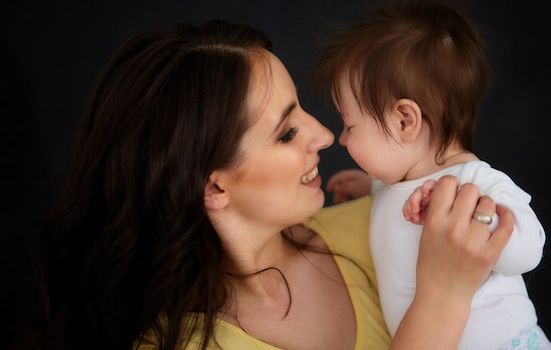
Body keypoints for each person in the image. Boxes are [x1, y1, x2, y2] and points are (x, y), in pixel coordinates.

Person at [15, 19, 515, 350]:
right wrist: (443, 298)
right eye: (287, 131)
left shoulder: (383, 223)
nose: (324, 134)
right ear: (214, 188)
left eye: (301, 107)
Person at [311, 0, 551, 350]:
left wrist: (470, 211)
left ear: (405, 121)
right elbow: (400, 201)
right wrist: (371, 186)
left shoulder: (475, 182)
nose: (342, 139)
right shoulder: (400, 182)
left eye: (350, 125)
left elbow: (527, 252)